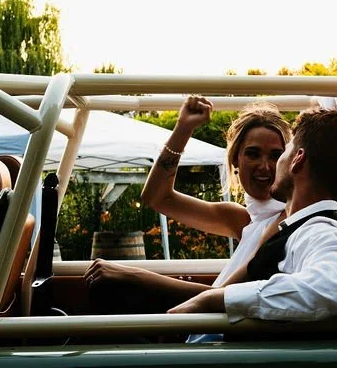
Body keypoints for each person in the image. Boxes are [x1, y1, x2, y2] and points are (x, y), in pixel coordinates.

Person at [84, 96, 290, 313]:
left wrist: (133, 275)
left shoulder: (285, 222)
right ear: (235, 160)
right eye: (253, 154)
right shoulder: (243, 219)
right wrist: (184, 128)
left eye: (276, 155)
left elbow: (222, 297)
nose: (265, 166)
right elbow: (157, 197)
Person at [167, 107, 337, 323]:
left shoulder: (324, 232)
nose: (270, 166)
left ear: (297, 159)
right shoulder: (297, 228)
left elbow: (332, 292)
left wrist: (215, 299)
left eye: (283, 152)